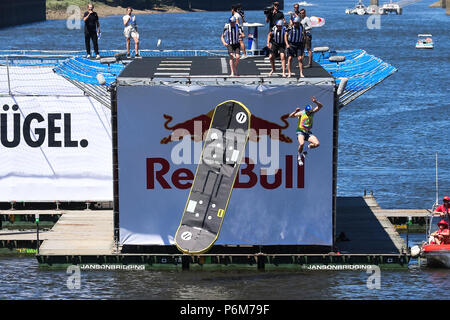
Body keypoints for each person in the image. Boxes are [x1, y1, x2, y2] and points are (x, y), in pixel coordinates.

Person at [288, 96, 323, 166]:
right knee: (301, 143)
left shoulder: (312, 113)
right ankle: (299, 157)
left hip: (307, 132)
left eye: (311, 112)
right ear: (306, 111)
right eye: (309, 112)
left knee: (317, 144)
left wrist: (315, 102)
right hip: (300, 131)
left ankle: (306, 149)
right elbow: (290, 116)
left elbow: (320, 106)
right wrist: (295, 111)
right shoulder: (302, 113)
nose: (310, 113)